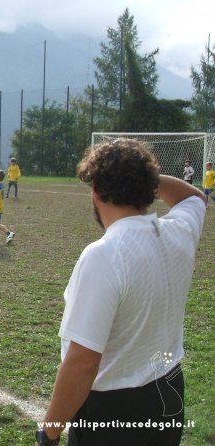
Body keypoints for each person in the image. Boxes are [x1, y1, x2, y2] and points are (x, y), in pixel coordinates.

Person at [36, 139, 206, 446]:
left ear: (96, 191)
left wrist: (48, 433)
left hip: (113, 412)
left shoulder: (103, 255)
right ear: (149, 188)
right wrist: (146, 178)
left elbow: (83, 361)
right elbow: (193, 197)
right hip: (169, 394)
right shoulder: (180, 230)